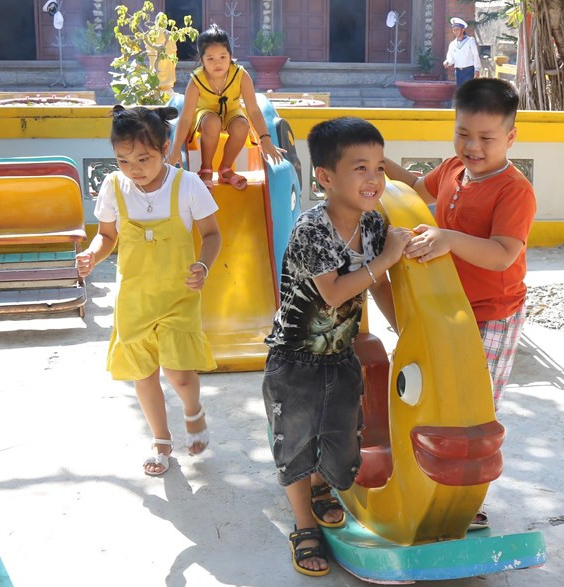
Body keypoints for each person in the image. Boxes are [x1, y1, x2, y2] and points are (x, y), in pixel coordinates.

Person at [262, 117, 412, 576]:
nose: (374, 178)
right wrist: (387, 257)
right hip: (294, 359)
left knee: (341, 437)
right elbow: (333, 292)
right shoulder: (312, 228)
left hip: (340, 354)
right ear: (325, 177)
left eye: (379, 167)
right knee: (296, 444)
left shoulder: (372, 225)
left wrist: (406, 329)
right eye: (360, 167)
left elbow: (379, 285)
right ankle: (303, 524)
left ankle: (322, 487)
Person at [385, 78, 537, 529]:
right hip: (449, 308)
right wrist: (378, 164)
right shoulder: (454, 168)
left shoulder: (514, 191)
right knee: (439, 396)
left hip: (493, 314)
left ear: (510, 137)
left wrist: (448, 238)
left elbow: (503, 253)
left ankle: (467, 498)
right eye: (463, 134)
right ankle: (433, 486)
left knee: (473, 407)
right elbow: (419, 188)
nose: (472, 147)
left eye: (486, 138)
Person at [76, 105, 221, 477]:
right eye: (123, 161)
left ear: (165, 148)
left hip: (179, 296)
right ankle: (161, 441)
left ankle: (193, 411)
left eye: (143, 159)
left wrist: (203, 266)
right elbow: (106, 236)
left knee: (179, 373)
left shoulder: (188, 185)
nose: (133, 169)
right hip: (134, 298)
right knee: (143, 374)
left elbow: (211, 234)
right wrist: (92, 255)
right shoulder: (113, 186)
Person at [169, 24, 284, 192]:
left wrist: (266, 139)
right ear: (202, 60)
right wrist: (175, 148)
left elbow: (253, 110)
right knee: (212, 121)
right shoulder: (196, 81)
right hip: (205, 116)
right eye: (210, 59)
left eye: (223, 56)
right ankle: (206, 170)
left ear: (230, 55)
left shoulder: (241, 75)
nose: (218, 63)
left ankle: (225, 169)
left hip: (232, 111)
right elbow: (185, 117)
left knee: (241, 125)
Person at [443, 17, 481, 87]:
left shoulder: (470, 41)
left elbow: (475, 56)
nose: (455, 32)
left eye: (457, 29)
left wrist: (477, 69)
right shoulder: (452, 44)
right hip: (458, 72)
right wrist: (447, 62)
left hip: (469, 71)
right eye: (454, 30)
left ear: (463, 29)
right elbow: (451, 58)